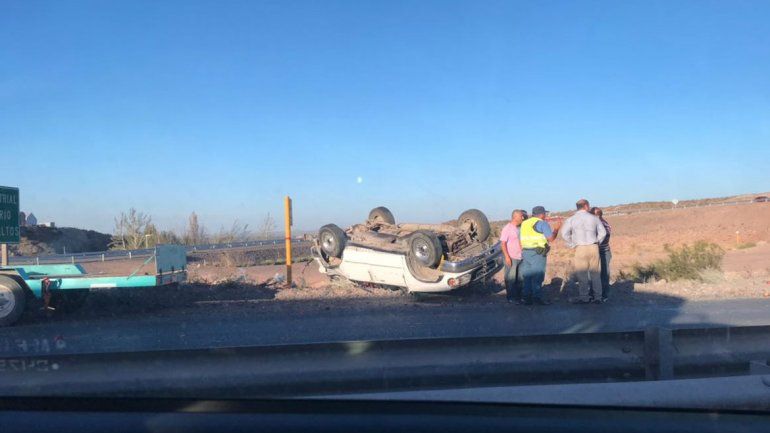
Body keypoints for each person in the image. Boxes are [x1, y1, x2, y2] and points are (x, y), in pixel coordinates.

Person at [560, 199, 607, 304]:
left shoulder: (571, 219)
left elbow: (564, 234)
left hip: (580, 248)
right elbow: (603, 233)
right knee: (595, 274)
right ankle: (598, 297)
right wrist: (597, 242)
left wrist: (572, 243)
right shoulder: (594, 218)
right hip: (593, 247)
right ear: (586, 206)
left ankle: (584, 297)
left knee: (582, 275)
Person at [519, 206, 561, 305]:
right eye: (545, 214)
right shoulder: (542, 223)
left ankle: (526, 298)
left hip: (525, 252)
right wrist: (556, 229)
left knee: (527, 276)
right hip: (537, 253)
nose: (545, 215)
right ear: (541, 214)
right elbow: (551, 239)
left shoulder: (524, 223)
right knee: (537, 276)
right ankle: (537, 298)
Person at [500, 209, 526, 304]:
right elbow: (503, 243)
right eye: (521, 216)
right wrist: (507, 257)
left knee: (520, 278)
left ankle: (519, 297)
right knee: (511, 279)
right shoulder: (507, 228)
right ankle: (511, 298)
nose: (522, 218)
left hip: (521, 257)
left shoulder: (520, 228)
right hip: (511, 257)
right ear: (515, 217)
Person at [591, 207, 612, 302]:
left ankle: (604, 294)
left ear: (597, 215)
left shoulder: (603, 224)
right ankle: (594, 293)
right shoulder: (599, 223)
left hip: (603, 251)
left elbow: (604, 236)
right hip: (599, 251)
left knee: (604, 273)